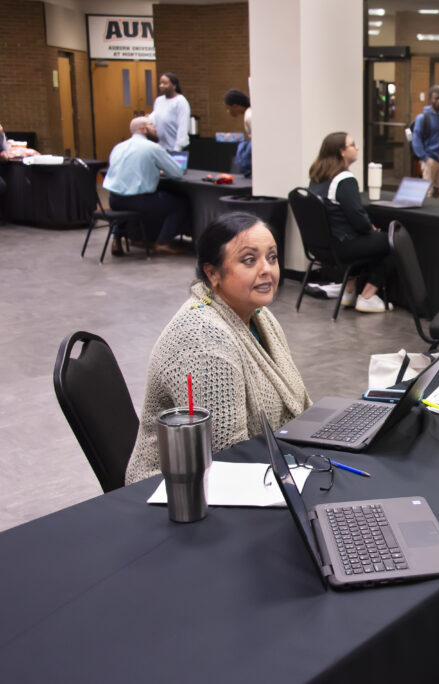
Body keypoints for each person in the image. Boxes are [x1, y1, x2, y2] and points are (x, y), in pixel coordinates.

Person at [126, 212, 312, 484]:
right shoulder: (202, 338)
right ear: (213, 273)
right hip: (176, 490)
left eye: (271, 257)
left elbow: (297, 404)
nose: (267, 269)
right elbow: (227, 455)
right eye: (249, 260)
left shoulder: (259, 315)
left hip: (260, 469)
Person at [308, 131, 392, 313]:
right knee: (393, 241)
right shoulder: (344, 179)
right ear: (342, 152)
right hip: (344, 246)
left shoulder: (316, 178)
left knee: (374, 242)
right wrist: (371, 229)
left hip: (323, 247)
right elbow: (358, 219)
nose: (357, 148)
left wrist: (368, 229)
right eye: (353, 145)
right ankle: (367, 296)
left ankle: (349, 290)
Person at [101, 116, 188, 255]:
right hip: (138, 201)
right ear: (144, 129)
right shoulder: (153, 148)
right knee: (179, 204)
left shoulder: (118, 147)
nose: (155, 128)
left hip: (114, 200)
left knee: (123, 205)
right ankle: (162, 243)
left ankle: (117, 239)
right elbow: (176, 172)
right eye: (152, 125)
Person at [411, 85, 439, 199]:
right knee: (427, 191)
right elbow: (416, 138)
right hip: (430, 158)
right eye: (436, 98)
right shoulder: (422, 117)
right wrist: (423, 157)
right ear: (430, 100)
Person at [150, 72, 191, 152]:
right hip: (161, 147)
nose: (161, 86)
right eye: (160, 83)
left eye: (165, 83)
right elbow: (155, 118)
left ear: (174, 86)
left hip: (174, 147)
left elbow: (183, 125)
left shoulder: (180, 101)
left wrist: (177, 148)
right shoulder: (159, 100)